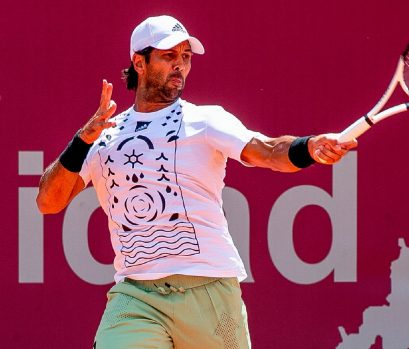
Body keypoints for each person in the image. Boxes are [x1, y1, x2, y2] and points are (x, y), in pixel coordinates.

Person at [36, 15, 356, 349]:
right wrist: (83, 139)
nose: (180, 65)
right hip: (135, 297)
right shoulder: (104, 135)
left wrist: (309, 146)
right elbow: (48, 201)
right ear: (138, 62)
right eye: (168, 56)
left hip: (211, 293)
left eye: (185, 57)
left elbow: (268, 151)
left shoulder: (206, 120)